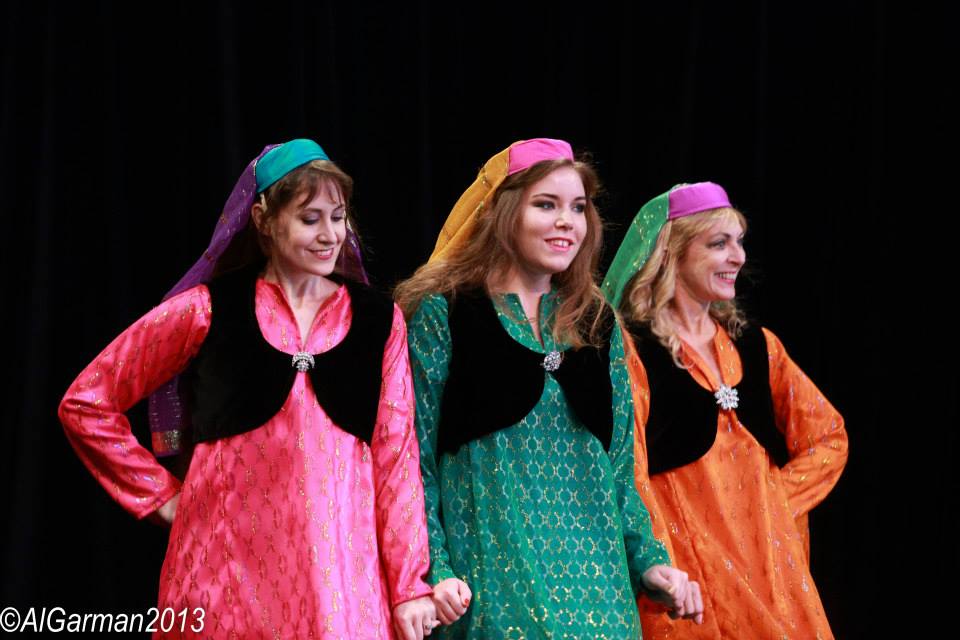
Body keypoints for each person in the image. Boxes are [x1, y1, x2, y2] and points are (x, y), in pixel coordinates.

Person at [59, 139, 438, 639]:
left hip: (342, 585)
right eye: (310, 219)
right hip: (223, 582)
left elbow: (397, 459)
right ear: (263, 218)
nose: (329, 235)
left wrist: (410, 586)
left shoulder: (376, 321)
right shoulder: (207, 310)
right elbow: (88, 401)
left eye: (338, 217)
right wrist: (159, 497)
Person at [395, 138, 703, 639]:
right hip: (493, 595)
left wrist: (649, 563)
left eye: (578, 208)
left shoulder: (597, 323)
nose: (567, 221)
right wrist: (436, 569)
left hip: (601, 602)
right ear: (503, 212)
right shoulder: (445, 315)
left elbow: (622, 469)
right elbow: (413, 464)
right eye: (546, 205)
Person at [602, 181, 848, 639]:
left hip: (768, 566)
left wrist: (774, 501)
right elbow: (627, 464)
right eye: (719, 243)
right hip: (689, 561)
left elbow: (828, 436)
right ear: (672, 253)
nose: (737, 256)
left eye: (739, 242)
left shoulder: (757, 346)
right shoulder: (633, 350)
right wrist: (656, 556)